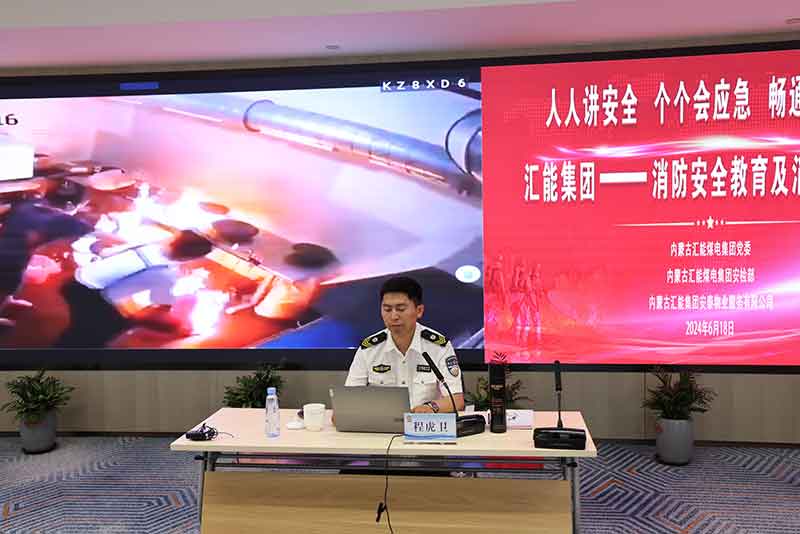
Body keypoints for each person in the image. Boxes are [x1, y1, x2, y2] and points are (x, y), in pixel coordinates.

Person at [55, 229, 213, 347]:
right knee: (119, 324)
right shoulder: (166, 275)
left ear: (173, 239)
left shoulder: (148, 246)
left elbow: (105, 253)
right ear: (190, 258)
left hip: (76, 280)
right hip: (90, 296)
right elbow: (159, 305)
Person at [344, 276, 464, 413]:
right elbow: (349, 399)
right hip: (382, 424)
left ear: (419, 311)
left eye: (401, 309)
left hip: (424, 423)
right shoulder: (369, 349)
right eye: (387, 309)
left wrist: (431, 408)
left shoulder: (439, 347)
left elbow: (456, 400)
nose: (394, 316)